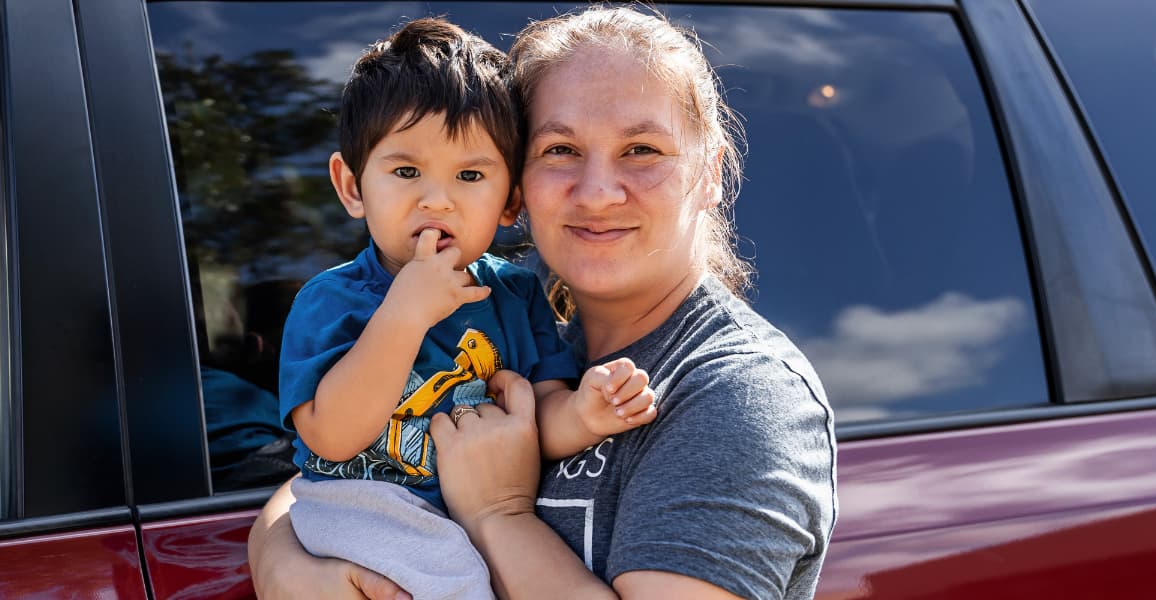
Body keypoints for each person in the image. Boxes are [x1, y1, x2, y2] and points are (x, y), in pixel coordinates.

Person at [251, 6, 838, 600]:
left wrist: (496, 514)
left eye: (641, 149)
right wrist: (277, 554)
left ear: (709, 171)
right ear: (522, 187)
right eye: (559, 149)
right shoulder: (535, 323)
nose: (599, 192)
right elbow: (335, 460)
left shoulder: (734, 399)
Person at [276, 17, 659, 600]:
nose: (436, 198)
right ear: (352, 187)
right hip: (362, 503)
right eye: (406, 172)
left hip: (464, 515)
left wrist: (585, 414)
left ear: (509, 202)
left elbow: (539, 412)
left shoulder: (515, 294)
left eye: (470, 175)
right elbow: (330, 436)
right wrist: (404, 315)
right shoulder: (332, 300)